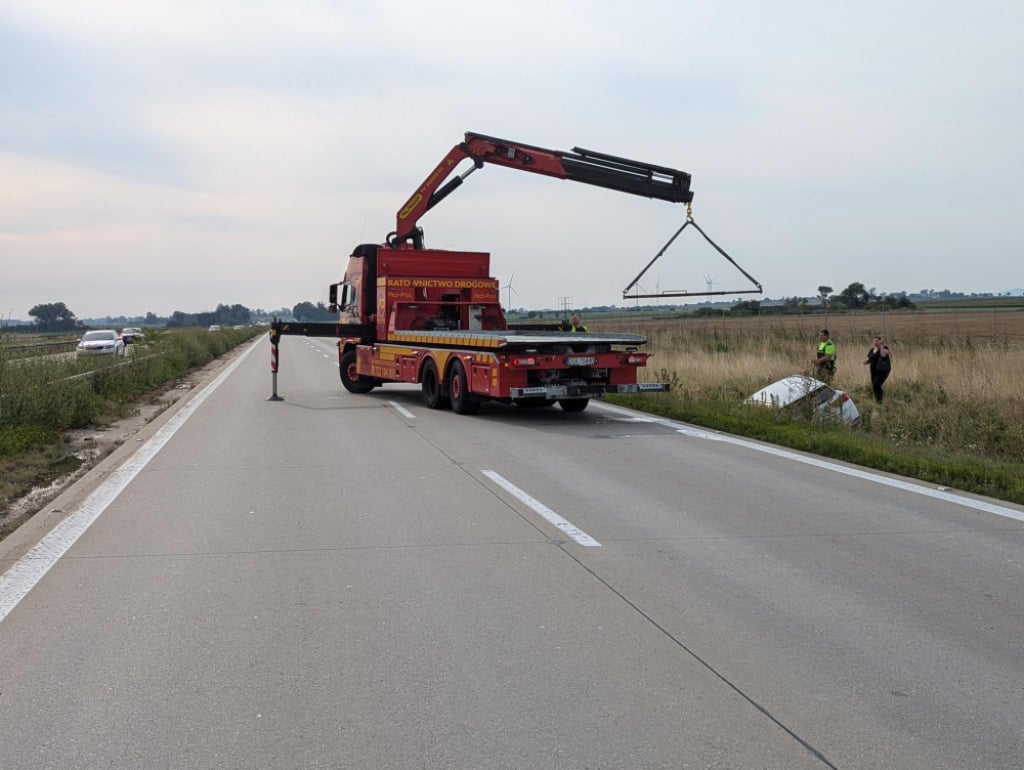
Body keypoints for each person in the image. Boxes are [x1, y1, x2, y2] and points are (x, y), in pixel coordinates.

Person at [863, 335, 892, 402]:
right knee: (874, 385)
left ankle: (879, 400)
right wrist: (866, 362)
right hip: (873, 370)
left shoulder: (884, 348)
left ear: (880, 341)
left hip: (882, 370)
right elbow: (871, 359)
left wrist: (881, 346)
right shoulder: (872, 350)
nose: (875, 342)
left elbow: (883, 355)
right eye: (874, 341)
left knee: (876, 384)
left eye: (877, 341)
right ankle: (879, 399)